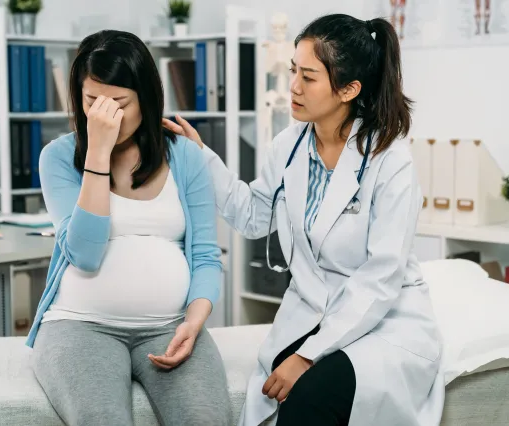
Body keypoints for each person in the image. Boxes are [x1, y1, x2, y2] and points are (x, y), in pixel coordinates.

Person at [164, 13, 444, 426]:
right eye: (294, 70)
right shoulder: (288, 145)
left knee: (309, 396)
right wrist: (202, 157)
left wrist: (308, 354)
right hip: (312, 311)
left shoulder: (389, 158)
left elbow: (381, 278)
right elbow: (253, 216)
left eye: (308, 77)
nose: (293, 86)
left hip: (384, 321)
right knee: (276, 390)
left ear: (349, 89)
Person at [25, 30, 231, 426]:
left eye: (119, 103)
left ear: (146, 99)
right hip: (80, 326)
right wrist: (98, 152)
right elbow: (84, 253)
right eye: (92, 102)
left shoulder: (186, 156)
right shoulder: (58, 157)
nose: (106, 115)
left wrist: (194, 320)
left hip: (169, 326)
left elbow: (206, 254)